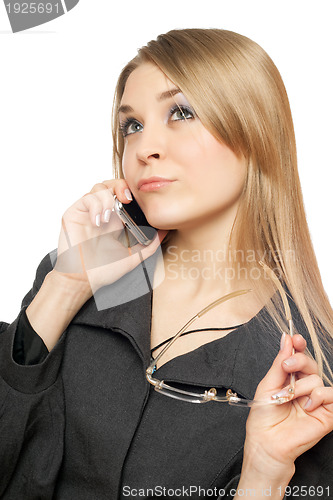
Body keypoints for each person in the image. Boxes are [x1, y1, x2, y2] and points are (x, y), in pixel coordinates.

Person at [0, 28, 332, 499]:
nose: (143, 147)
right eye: (131, 125)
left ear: (255, 132)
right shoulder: (77, 276)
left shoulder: (309, 367)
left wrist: (264, 475)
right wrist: (67, 284)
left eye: (181, 112)